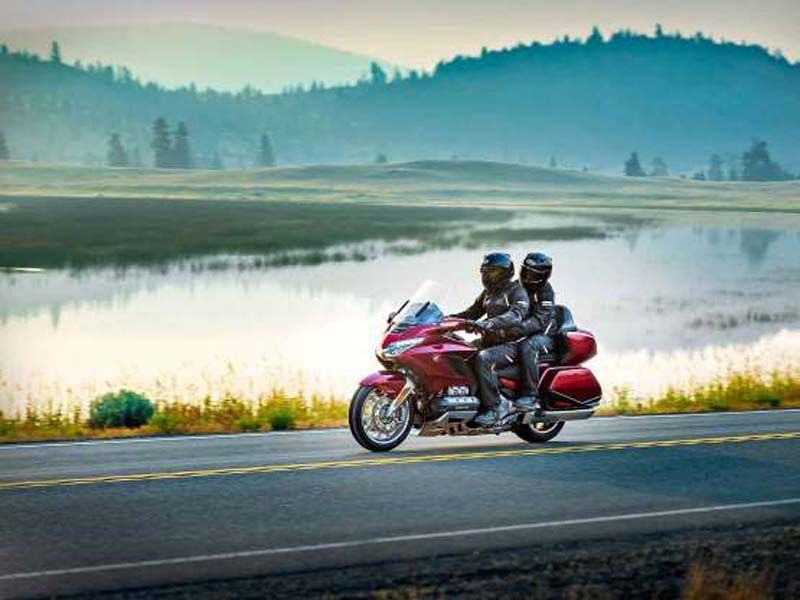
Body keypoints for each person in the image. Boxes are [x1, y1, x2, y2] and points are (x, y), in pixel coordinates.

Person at [450, 252, 530, 427]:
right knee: (459, 352)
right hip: (490, 342)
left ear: (506, 272)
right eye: (484, 271)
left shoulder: (517, 291)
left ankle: (495, 407)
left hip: (512, 344)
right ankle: (468, 401)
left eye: (492, 271)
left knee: (484, 358)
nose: (487, 275)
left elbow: (516, 315)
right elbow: (471, 313)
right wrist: (442, 320)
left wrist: (489, 323)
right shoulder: (488, 293)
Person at [513, 252, 557, 412]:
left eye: (532, 274)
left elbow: (539, 320)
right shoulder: (515, 287)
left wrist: (516, 330)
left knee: (528, 346)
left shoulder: (545, 291)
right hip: (524, 333)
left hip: (545, 336)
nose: (527, 276)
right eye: (525, 271)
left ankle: (531, 396)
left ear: (543, 276)